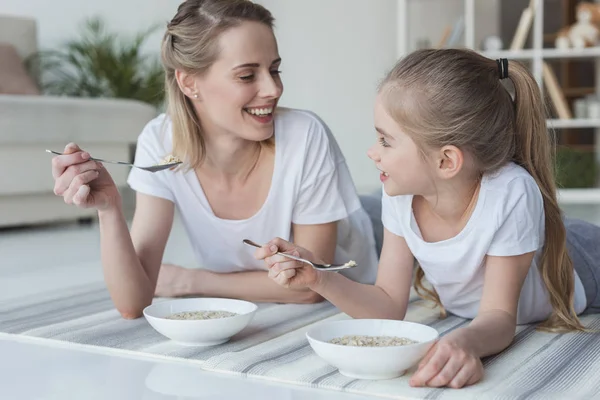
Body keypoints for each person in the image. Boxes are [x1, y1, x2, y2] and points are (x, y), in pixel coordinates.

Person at [256, 49, 600, 389]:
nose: (372, 152)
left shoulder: (510, 192)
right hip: (528, 241)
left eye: (385, 141)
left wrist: (465, 342)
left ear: (447, 161)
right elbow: (389, 306)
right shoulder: (398, 194)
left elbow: (499, 318)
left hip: (582, 261)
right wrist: (319, 278)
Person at [49, 0, 378, 320]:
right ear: (190, 82)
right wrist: (109, 209)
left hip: (374, 233)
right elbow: (133, 304)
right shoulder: (161, 141)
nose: (273, 88)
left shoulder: (305, 134)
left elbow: (308, 287)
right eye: (247, 76)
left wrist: (191, 281)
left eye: (274, 70)